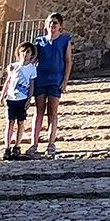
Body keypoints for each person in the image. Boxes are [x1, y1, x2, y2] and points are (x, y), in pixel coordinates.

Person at [27, 12, 74, 158]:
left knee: (52, 112)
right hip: (41, 79)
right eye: (50, 22)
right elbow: (32, 59)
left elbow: (68, 61)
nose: (52, 25)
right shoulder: (39, 42)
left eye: (55, 23)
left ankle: (51, 143)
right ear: (45, 25)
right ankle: (34, 143)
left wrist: (64, 81)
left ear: (60, 26)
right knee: (39, 111)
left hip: (55, 80)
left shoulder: (65, 41)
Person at [0, 42, 38, 160]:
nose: (25, 54)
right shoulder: (13, 66)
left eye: (28, 52)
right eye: (23, 52)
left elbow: (31, 85)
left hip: (22, 99)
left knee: (20, 123)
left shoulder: (32, 69)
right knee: (10, 122)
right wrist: (2, 95)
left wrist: (29, 99)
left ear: (31, 55)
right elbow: (8, 81)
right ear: (19, 53)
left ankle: (17, 146)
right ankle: (7, 147)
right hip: (11, 98)